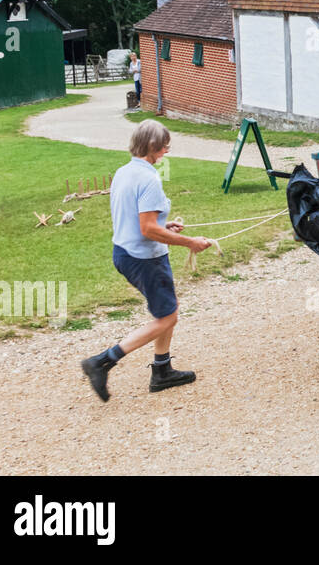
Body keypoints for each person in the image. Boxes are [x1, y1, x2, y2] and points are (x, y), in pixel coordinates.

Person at [81, 120, 217, 402]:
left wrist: (165, 228)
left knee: (165, 312)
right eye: (165, 145)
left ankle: (162, 370)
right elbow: (147, 229)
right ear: (153, 147)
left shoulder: (124, 172)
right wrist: (191, 242)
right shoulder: (150, 178)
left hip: (124, 252)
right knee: (168, 317)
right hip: (145, 258)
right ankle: (103, 361)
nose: (167, 150)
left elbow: (140, 220)